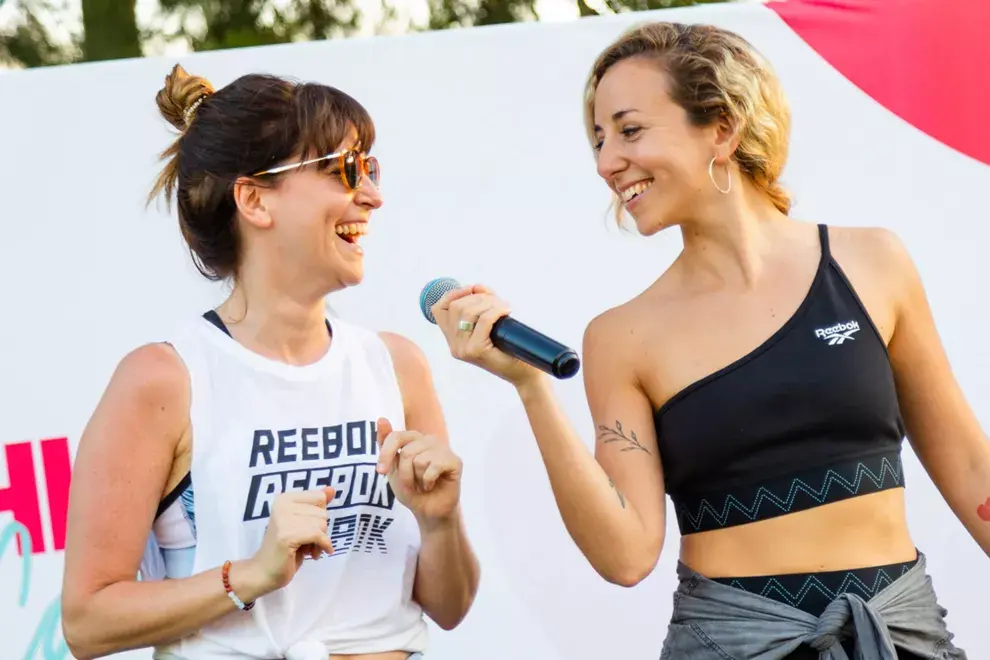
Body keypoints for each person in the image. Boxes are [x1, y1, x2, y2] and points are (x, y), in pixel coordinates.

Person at [429, 21, 987, 659]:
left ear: (722, 127)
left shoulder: (873, 262)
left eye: (630, 129)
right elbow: (626, 555)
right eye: (599, 139)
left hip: (900, 635)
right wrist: (530, 387)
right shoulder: (622, 337)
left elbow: (972, 469)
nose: (608, 161)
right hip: (732, 644)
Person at [60, 64, 480, 660]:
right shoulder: (164, 378)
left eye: (371, 168)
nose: (372, 195)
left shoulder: (395, 364)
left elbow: (449, 606)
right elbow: (87, 620)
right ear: (255, 200)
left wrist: (440, 522)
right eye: (345, 170)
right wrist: (249, 576)